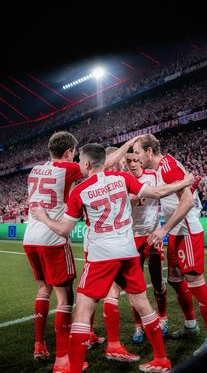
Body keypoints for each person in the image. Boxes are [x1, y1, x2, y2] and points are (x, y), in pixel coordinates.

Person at [31, 142, 194, 373]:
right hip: (127, 252)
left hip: (101, 257)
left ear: (87, 164)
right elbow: (157, 192)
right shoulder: (122, 179)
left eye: (80, 161)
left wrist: (43, 217)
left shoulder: (80, 190)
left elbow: (64, 230)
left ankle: (75, 368)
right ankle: (161, 359)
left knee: (82, 310)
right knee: (143, 304)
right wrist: (185, 182)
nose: (78, 164)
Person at [133, 134, 207, 355]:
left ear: (149, 151)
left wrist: (163, 228)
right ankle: (190, 325)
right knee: (174, 279)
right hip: (176, 232)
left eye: (138, 152)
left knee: (195, 282)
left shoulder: (167, 167)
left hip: (187, 231)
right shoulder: (162, 167)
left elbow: (188, 201)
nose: (137, 156)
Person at [23, 131, 86, 372]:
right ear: (69, 152)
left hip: (30, 237)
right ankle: (63, 359)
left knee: (43, 288)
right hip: (52, 239)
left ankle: (39, 344)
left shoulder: (35, 170)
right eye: (75, 153)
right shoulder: (68, 169)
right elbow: (97, 163)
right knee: (64, 297)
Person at [126, 148, 168, 342]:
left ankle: (163, 318)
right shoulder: (123, 181)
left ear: (141, 161)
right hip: (132, 237)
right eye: (129, 161)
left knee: (157, 280)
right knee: (135, 285)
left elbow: (164, 193)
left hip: (152, 235)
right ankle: (138, 326)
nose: (133, 164)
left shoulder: (154, 175)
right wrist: (131, 201)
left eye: (136, 160)